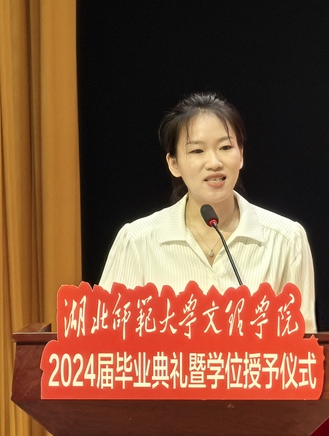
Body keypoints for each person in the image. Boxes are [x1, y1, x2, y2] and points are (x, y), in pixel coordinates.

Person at [99, 92, 317, 332]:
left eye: (225, 147)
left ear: (241, 155)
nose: (214, 162)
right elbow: (106, 340)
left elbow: (303, 343)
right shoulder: (136, 242)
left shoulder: (286, 240)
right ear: (173, 164)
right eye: (197, 151)